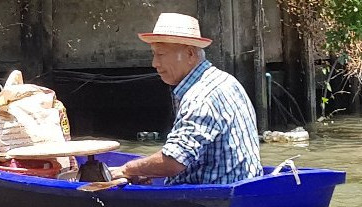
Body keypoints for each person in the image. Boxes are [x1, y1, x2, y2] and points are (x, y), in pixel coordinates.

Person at [109, 12, 263, 185]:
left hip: (212, 199)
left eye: (160, 54)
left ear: (190, 54)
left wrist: (127, 169)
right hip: (244, 187)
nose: (154, 63)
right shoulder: (226, 80)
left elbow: (174, 161)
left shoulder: (199, 97)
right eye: (154, 54)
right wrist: (147, 170)